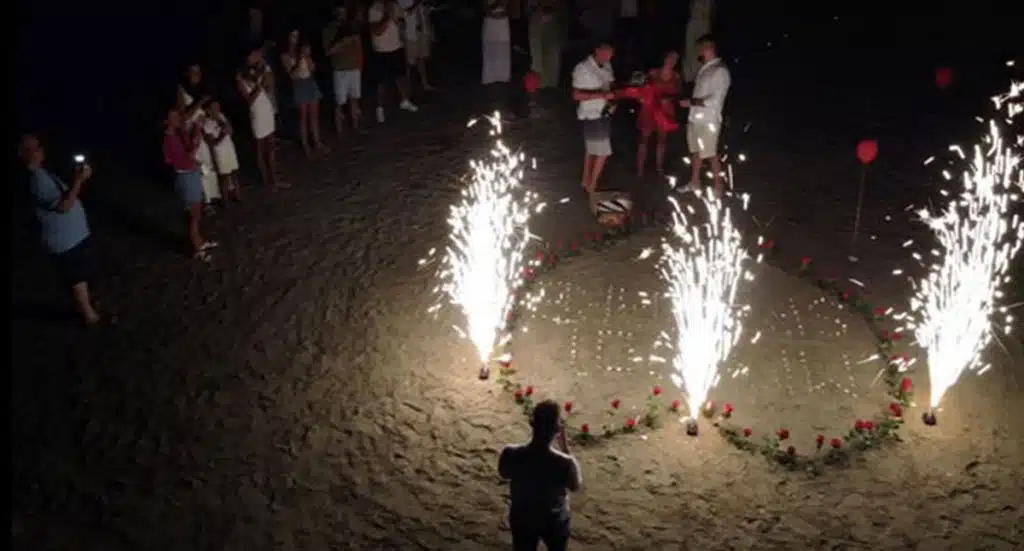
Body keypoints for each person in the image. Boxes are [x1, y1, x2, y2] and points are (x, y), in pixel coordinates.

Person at [19, 134, 103, 325]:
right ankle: (89, 316)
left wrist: (79, 179)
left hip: (72, 237)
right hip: (64, 241)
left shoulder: (42, 173)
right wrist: (79, 180)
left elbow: (65, 196)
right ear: (26, 154)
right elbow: (64, 206)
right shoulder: (36, 180)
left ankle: (85, 307)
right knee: (77, 278)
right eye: (36, 147)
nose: (41, 149)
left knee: (81, 275)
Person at [498, 400, 582, 551]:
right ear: (557, 429)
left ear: (532, 423)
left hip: (522, 517)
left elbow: (503, 473)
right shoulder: (565, 463)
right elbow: (575, 485)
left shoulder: (510, 453)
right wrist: (565, 447)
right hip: (553, 520)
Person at [678, 34, 729, 196]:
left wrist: (691, 102)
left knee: (711, 153)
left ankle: (718, 187)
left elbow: (715, 100)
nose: (699, 52)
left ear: (709, 48)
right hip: (695, 119)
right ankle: (694, 182)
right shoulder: (705, 69)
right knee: (695, 152)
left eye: (701, 48)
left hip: (708, 121)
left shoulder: (720, 71)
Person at [163, 107, 217, 259]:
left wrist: (196, 132)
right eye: (174, 117)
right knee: (193, 214)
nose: (178, 119)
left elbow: (193, 145)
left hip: (191, 174)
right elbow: (189, 155)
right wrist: (198, 130)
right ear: (167, 121)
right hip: (185, 176)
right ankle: (196, 247)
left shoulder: (179, 134)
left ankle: (198, 241)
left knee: (197, 212)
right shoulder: (169, 139)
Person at [237, 47, 285, 190]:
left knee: (271, 145)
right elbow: (249, 100)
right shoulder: (240, 76)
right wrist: (259, 85)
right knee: (261, 147)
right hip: (256, 111)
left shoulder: (259, 69)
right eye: (254, 54)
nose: (257, 56)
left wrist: (265, 70)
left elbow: (271, 84)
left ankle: (274, 177)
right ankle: (267, 180)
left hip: (266, 108)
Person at [571, 40, 616, 193]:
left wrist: (612, 99)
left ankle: (586, 180)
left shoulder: (607, 66)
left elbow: (610, 85)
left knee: (591, 149)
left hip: (605, 112)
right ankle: (593, 185)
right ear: (597, 50)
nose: (609, 56)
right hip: (591, 114)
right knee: (603, 152)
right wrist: (602, 94)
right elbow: (577, 94)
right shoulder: (583, 68)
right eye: (606, 52)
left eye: (611, 53)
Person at [176, 64, 222, 211]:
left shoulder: (201, 89)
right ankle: (202, 201)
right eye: (194, 72)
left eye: (199, 72)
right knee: (200, 167)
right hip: (191, 135)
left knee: (209, 165)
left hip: (202, 132)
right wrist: (200, 102)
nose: (197, 75)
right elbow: (184, 117)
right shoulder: (183, 92)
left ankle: (212, 197)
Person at [368, 0, 418, 123]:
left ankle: (405, 101)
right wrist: (388, 15)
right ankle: (380, 108)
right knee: (382, 82)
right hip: (381, 51)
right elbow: (377, 31)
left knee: (401, 77)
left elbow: (402, 24)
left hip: (396, 47)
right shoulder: (374, 9)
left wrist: (399, 22)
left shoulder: (396, 6)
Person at [282, 30, 327, 156]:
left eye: (297, 36)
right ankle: (306, 145)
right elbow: (292, 75)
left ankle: (317, 143)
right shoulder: (285, 56)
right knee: (303, 118)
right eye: (292, 36)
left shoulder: (304, 51)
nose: (295, 39)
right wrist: (299, 59)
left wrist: (306, 57)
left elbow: (312, 69)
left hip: (310, 83)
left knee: (314, 116)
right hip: (299, 86)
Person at [636, 50, 680, 177]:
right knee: (644, 138)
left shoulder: (676, 77)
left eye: (675, 60)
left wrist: (670, 99)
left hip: (665, 110)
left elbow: (677, 95)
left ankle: (659, 167)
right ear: (664, 59)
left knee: (662, 139)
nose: (672, 61)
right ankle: (640, 168)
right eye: (670, 58)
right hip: (650, 108)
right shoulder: (653, 73)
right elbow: (643, 89)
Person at [323, 1, 365, 135]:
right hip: (340, 70)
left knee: (355, 99)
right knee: (339, 102)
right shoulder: (329, 29)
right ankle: (340, 131)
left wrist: (360, 64)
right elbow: (328, 51)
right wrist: (341, 43)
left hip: (354, 68)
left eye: (344, 12)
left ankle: (356, 127)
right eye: (339, 12)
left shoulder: (352, 26)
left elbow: (359, 46)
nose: (342, 15)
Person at [202, 100, 242, 202]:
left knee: (234, 173)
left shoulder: (221, 117)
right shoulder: (207, 124)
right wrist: (223, 133)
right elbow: (213, 142)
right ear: (208, 110)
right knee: (224, 177)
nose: (217, 110)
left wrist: (224, 123)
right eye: (214, 108)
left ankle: (238, 196)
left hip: (229, 148)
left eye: (218, 107)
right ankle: (226, 201)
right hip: (220, 153)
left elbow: (231, 131)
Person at [398, 0, 437, 92]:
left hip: (422, 31)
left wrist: (430, 30)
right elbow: (404, 13)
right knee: (409, 62)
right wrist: (416, 3)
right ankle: (406, 87)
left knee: (421, 58)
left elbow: (425, 13)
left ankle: (425, 83)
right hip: (410, 33)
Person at [528, 0, 564, 90]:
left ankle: (550, 92)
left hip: (553, 21)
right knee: (538, 64)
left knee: (553, 62)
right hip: (538, 20)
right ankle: (538, 93)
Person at [482, 1, 512, 86]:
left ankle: (503, 76)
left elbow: (511, 8)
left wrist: (503, 13)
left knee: (503, 51)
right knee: (490, 51)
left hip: (502, 23)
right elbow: (483, 8)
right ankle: (490, 77)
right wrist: (496, 6)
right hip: (490, 22)